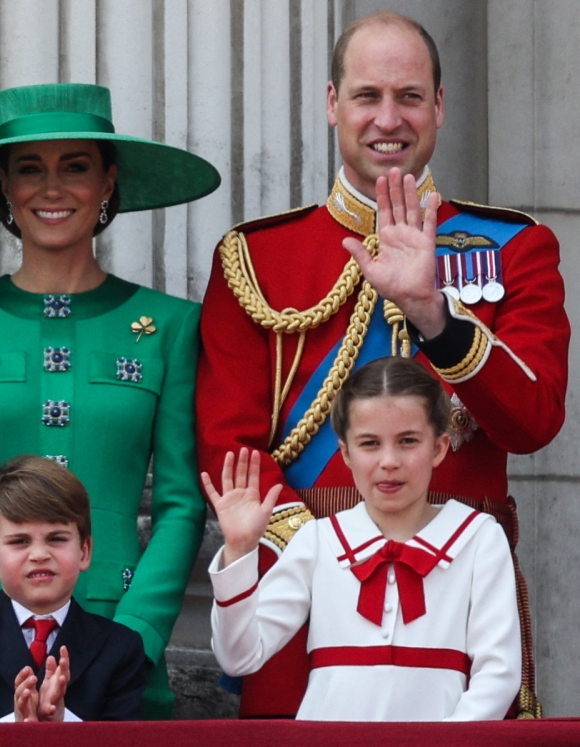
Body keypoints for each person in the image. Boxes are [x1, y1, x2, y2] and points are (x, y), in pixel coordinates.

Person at [197, 11, 567, 717]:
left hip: (463, 584)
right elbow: (228, 445)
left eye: (410, 96)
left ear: (440, 105)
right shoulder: (256, 257)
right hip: (304, 599)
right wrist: (333, 554)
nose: (388, 118)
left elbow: (535, 418)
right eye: (368, 96)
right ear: (333, 103)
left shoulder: (515, 246)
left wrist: (436, 317)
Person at [0, 82, 219, 718]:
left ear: (108, 182)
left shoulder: (171, 323)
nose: (52, 188)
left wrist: (138, 635)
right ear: (5, 188)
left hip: (120, 633)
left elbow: (182, 503)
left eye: (75, 167)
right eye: (29, 170)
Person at [204, 357, 521, 721]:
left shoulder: (479, 538)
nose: (389, 461)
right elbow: (239, 656)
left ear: (439, 447)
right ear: (346, 453)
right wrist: (239, 552)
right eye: (370, 443)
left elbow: (498, 674)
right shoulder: (318, 539)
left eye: (408, 441)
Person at [0, 455, 147, 721]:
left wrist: (62, 726)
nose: (39, 554)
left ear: (84, 551)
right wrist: (15, 727)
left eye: (56, 539)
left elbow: (126, 738)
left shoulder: (119, 647)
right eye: (19, 541)